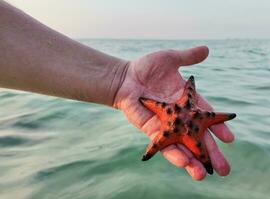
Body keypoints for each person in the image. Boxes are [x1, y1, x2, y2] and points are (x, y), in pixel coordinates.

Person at [0, 0, 235, 181]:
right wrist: (120, 81)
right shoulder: (185, 111)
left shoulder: (174, 110)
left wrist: (119, 80)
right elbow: (184, 110)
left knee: (199, 158)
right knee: (202, 159)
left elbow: (180, 111)